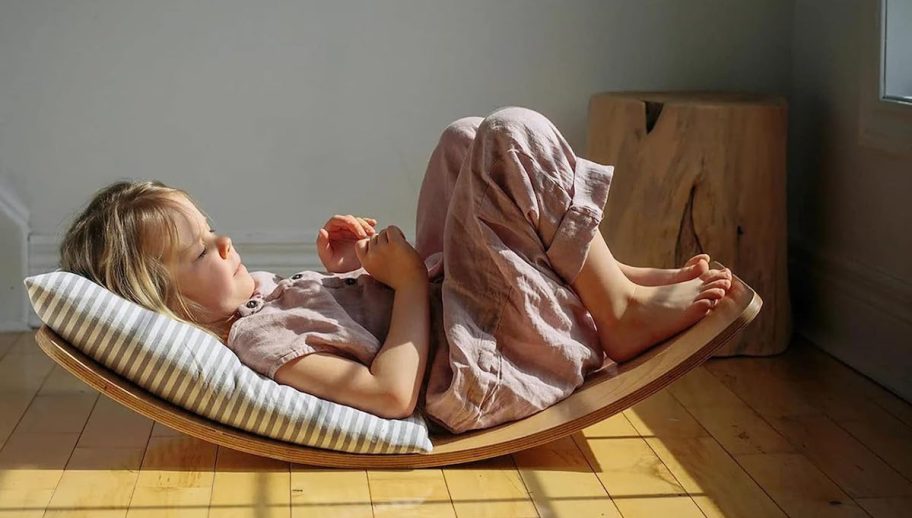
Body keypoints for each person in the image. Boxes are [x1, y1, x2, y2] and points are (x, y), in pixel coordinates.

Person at [58, 106, 732, 434]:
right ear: (173, 304)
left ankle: (618, 280)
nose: (226, 241)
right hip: (481, 367)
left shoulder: (257, 308)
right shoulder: (257, 342)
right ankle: (612, 312)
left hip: (467, 321)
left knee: (462, 141)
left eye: (211, 231)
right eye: (204, 250)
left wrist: (353, 270)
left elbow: (354, 327)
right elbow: (390, 394)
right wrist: (407, 281)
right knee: (507, 139)